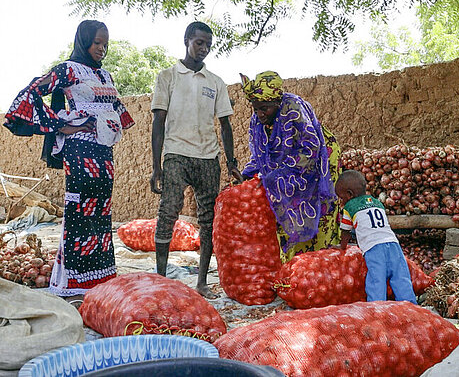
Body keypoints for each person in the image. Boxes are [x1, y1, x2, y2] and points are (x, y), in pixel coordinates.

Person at [3, 20, 135, 298]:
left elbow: (117, 112)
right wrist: (61, 125)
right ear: (84, 40)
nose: (101, 48)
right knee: (80, 212)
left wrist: (109, 124)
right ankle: (72, 282)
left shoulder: (106, 76)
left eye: (104, 43)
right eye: (97, 42)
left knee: (101, 212)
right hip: (79, 152)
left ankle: (100, 278)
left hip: (103, 153)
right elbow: (30, 94)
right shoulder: (67, 70)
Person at [151, 21, 242, 299]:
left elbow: (225, 126)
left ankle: (202, 281)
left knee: (208, 218)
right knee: (168, 212)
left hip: (207, 158)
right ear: (187, 40)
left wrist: (231, 162)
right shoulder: (167, 77)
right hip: (176, 154)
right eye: (199, 42)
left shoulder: (215, 83)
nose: (203, 49)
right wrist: (156, 167)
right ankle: (161, 278)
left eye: (208, 45)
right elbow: (158, 121)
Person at [240, 71, 342, 263]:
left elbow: (311, 148)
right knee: (286, 208)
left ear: (277, 103)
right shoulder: (258, 120)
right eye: (256, 109)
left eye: (264, 109)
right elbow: (261, 154)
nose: (260, 114)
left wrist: (279, 174)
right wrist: (247, 174)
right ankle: (293, 267)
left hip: (318, 162)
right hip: (288, 169)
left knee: (319, 212)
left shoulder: (293, 107)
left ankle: (319, 265)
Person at [336, 170, 417, 303]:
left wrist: (342, 247)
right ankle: (412, 307)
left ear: (349, 195)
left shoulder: (349, 207)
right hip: (393, 243)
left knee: (376, 279)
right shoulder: (377, 202)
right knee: (401, 277)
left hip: (374, 248)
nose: (341, 201)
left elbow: (345, 231)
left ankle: (376, 309)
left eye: (341, 197)